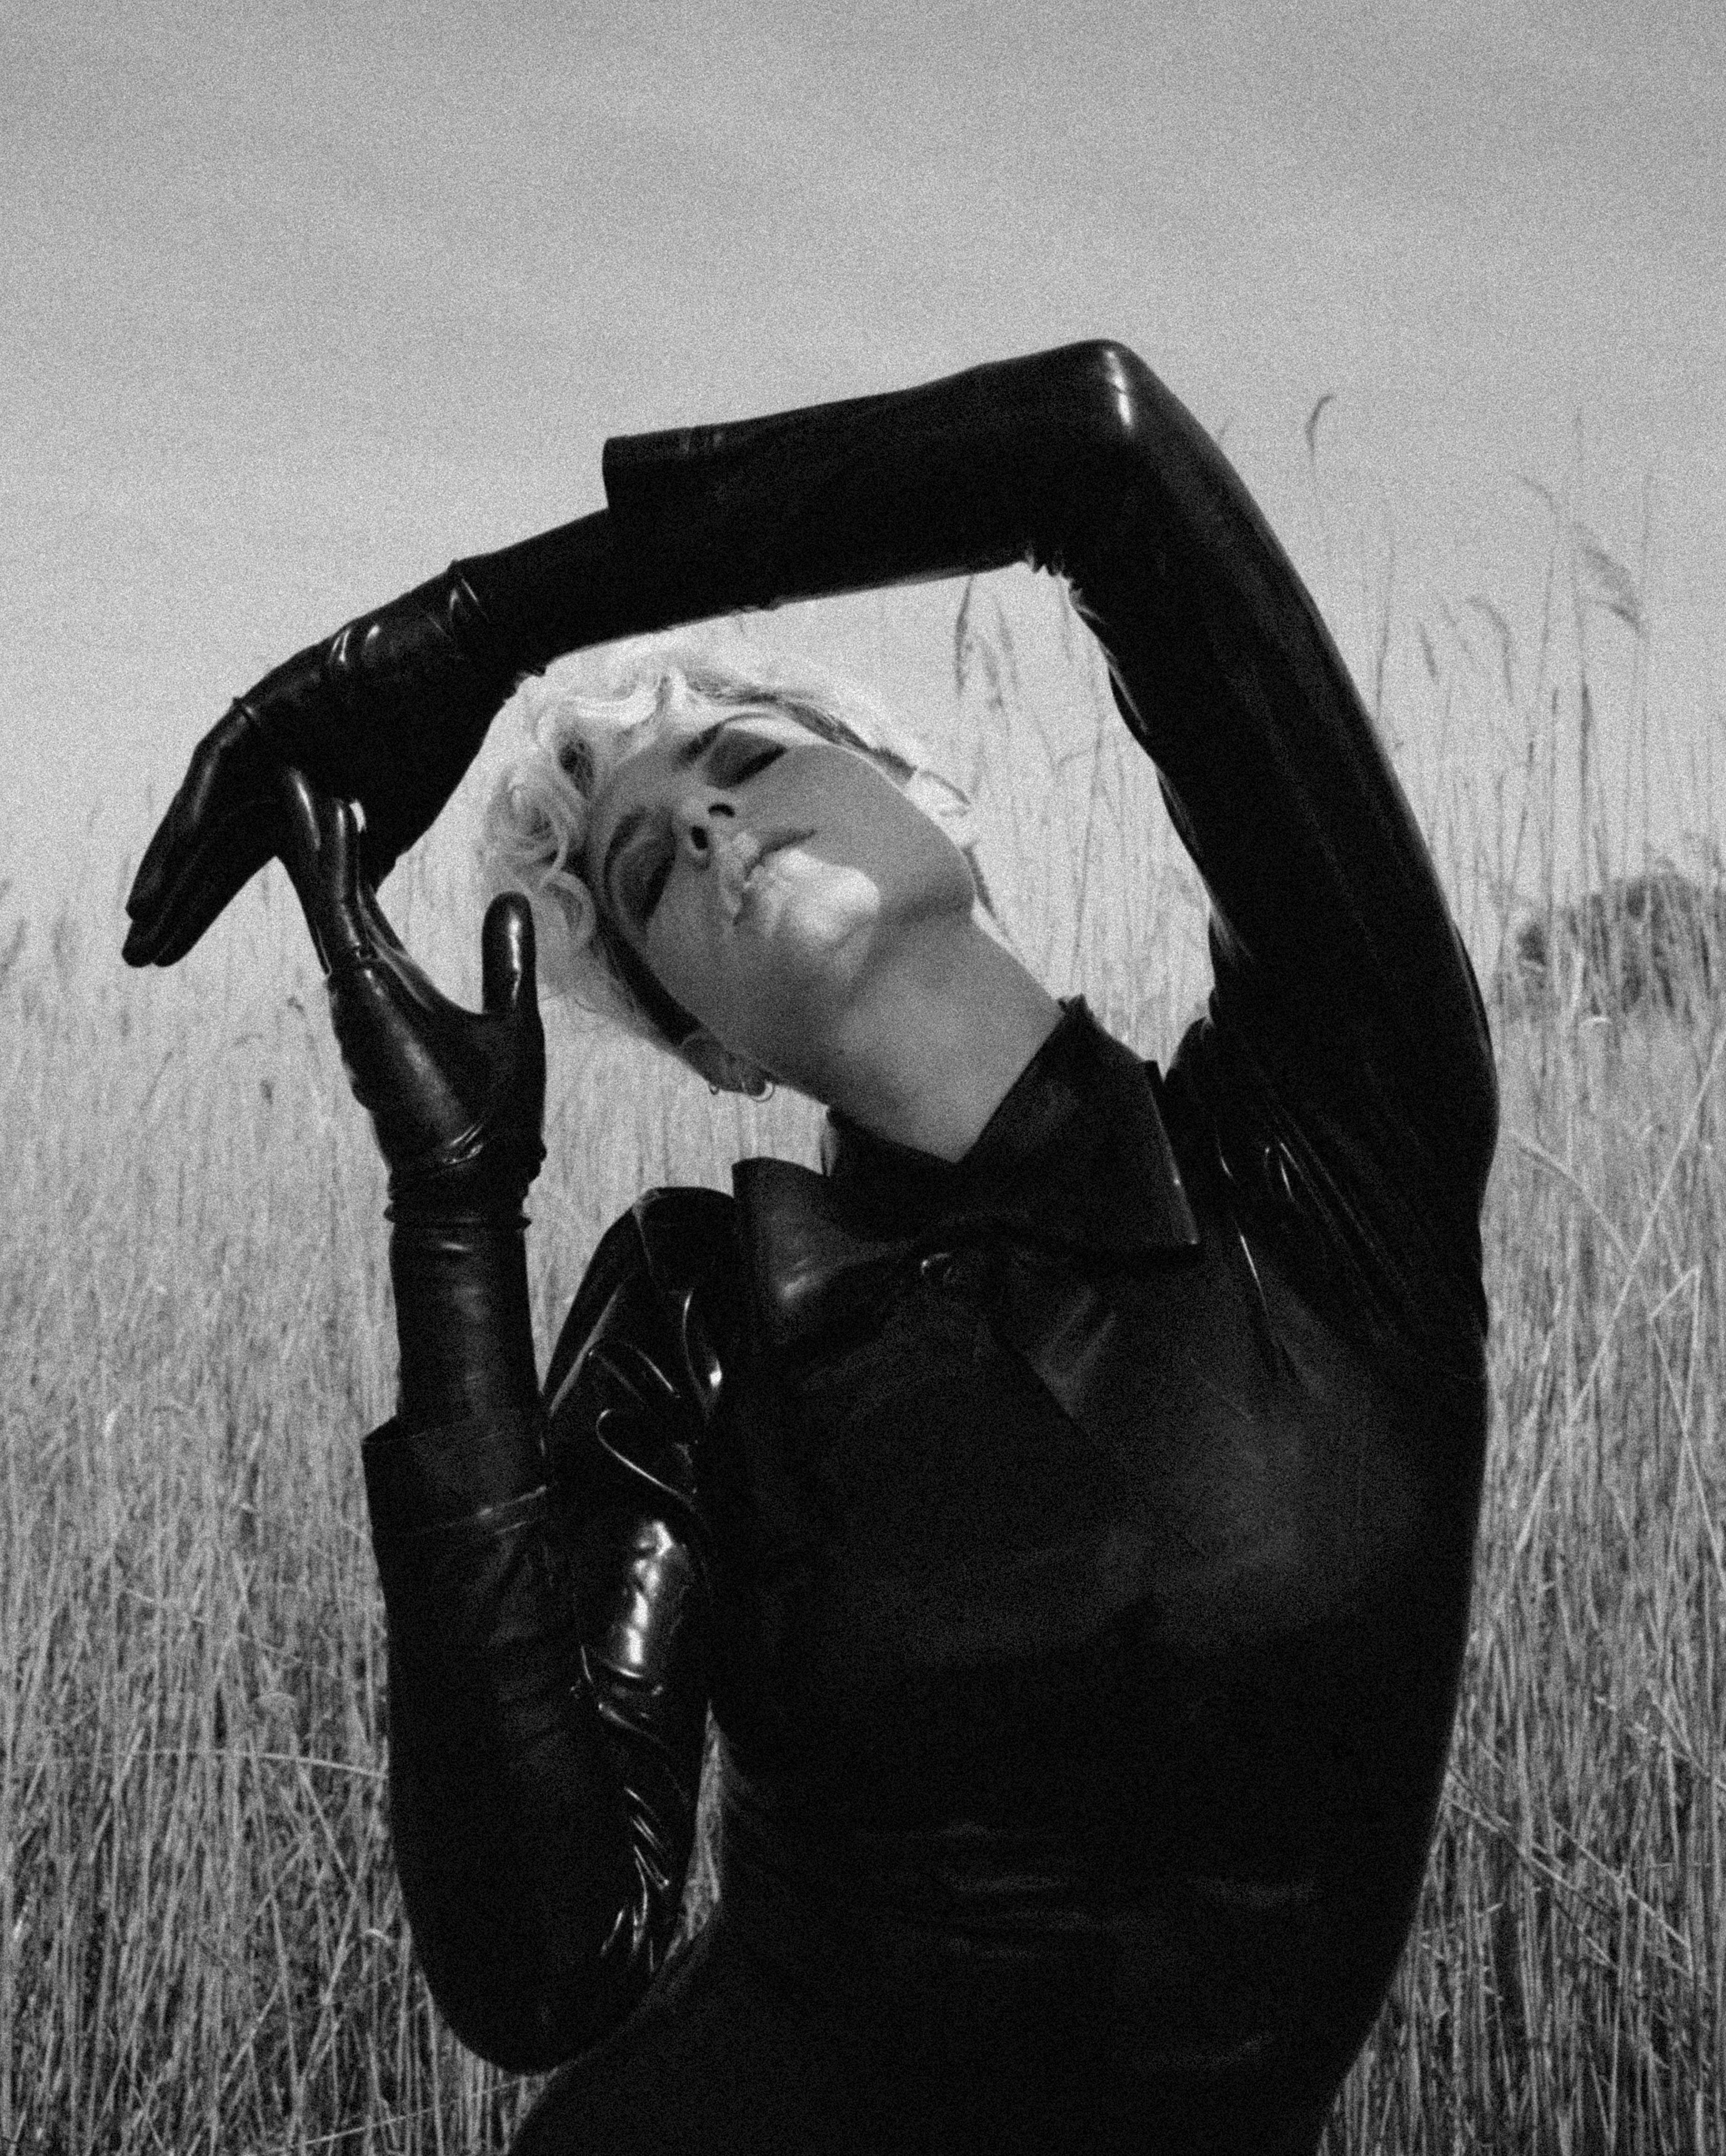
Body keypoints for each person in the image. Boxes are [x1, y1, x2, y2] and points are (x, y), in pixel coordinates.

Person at [123, 342, 1499, 2154]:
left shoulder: (1332, 1140)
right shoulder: (708, 1304)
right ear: (710, 1048)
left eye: (750, 758)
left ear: (929, 794)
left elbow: (1101, 452)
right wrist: (451, 1217)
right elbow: (546, 1970)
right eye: (636, 878)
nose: (701, 822)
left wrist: (486, 624)